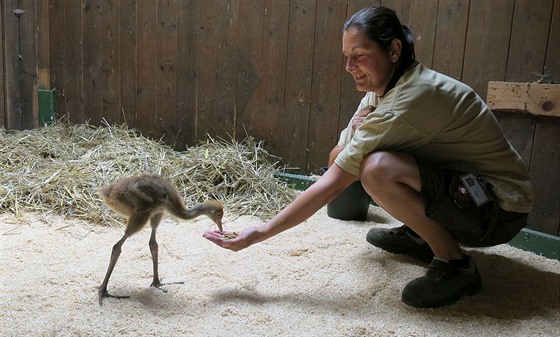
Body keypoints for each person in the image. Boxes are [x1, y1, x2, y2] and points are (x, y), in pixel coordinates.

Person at [203, 6, 533, 308]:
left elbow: (334, 184)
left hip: (496, 210)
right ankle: (422, 234)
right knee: (370, 163)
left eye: (359, 56)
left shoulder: (411, 99)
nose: (349, 67)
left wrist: (261, 232)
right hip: (462, 190)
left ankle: (456, 265)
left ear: (393, 50)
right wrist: (353, 139)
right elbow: (337, 161)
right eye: (347, 56)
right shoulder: (381, 90)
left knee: (377, 169)